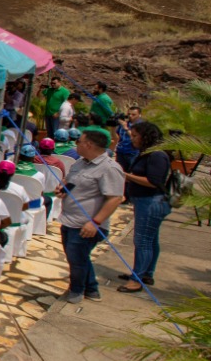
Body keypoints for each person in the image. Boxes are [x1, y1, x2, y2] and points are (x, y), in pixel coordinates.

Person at [57, 127, 125, 303]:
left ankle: (76, 290)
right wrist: (63, 188)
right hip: (69, 219)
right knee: (77, 257)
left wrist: (95, 222)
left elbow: (115, 198)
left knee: (77, 259)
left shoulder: (109, 168)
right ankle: (91, 289)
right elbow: (71, 181)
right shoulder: (80, 162)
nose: (76, 145)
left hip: (86, 224)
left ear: (88, 144)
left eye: (78, 141)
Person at [119, 121, 171, 292]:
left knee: (142, 241)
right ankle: (146, 272)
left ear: (145, 136)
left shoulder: (157, 155)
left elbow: (153, 181)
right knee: (151, 239)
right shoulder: (146, 153)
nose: (132, 139)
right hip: (144, 201)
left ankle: (137, 279)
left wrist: (127, 176)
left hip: (151, 202)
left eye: (135, 136)